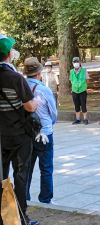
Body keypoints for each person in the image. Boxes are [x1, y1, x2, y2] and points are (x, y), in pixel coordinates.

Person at [0, 35, 39, 225]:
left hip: (1, 136)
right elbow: (30, 106)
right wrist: (38, 100)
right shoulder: (15, 78)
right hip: (20, 136)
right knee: (21, 175)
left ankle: (3, 216)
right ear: (9, 54)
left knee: (1, 176)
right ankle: (21, 217)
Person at [24, 57, 57, 205]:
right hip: (44, 133)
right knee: (46, 168)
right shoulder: (44, 90)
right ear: (39, 73)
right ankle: (45, 199)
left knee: (27, 168)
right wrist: (50, 124)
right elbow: (53, 113)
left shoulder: (21, 88)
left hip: (27, 133)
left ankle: (24, 196)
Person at [69, 57, 89, 125]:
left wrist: (84, 86)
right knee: (76, 105)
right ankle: (77, 119)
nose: (76, 63)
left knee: (83, 105)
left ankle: (85, 119)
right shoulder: (71, 71)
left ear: (79, 63)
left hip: (82, 90)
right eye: (74, 62)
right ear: (72, 63)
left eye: (77, 62)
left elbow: (87, 80)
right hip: (74, 91)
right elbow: (71, 80)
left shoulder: (84, 70)